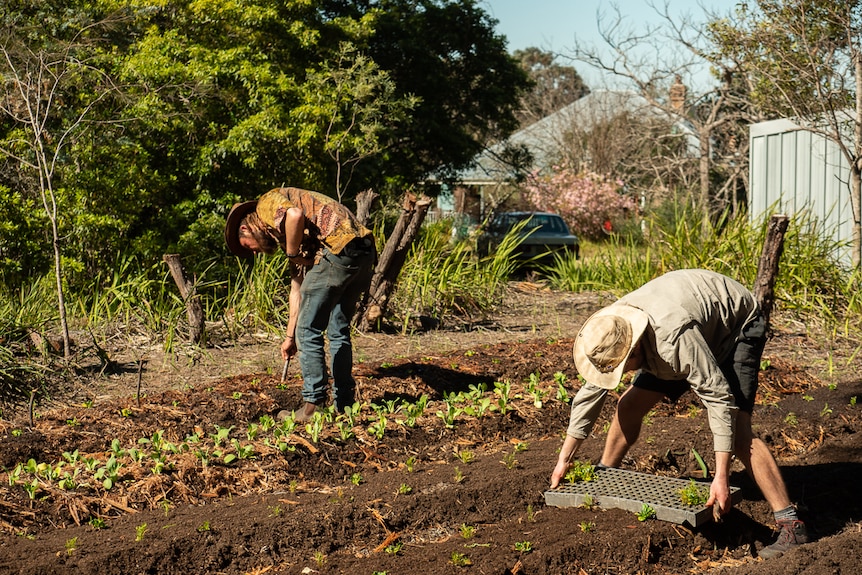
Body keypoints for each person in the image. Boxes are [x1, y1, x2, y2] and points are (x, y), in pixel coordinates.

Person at [549, 269, 808, 559]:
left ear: (634, 350)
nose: (624, 373)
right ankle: (606, 476)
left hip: (733, 329)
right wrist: (565, 459)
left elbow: (719, 397)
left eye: (625, 367)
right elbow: (589, 394)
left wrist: (720, 476)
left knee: (738, 432)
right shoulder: (611, 329)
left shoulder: (673, 339)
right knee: (629, 405)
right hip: (681, 329)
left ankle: (790, 524)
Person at [224, 186, 376, 421]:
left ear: (245, 228)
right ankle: (345, 403)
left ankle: (312, 407)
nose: (253, 253)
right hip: (363, 251)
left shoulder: (265, 204)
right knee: (338, 329)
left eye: (246, 246)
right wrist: (289, 337)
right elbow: (298, 288)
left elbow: (294, 215)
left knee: (310, 331)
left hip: (338, 248)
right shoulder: (289, 236)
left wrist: (292, 254)